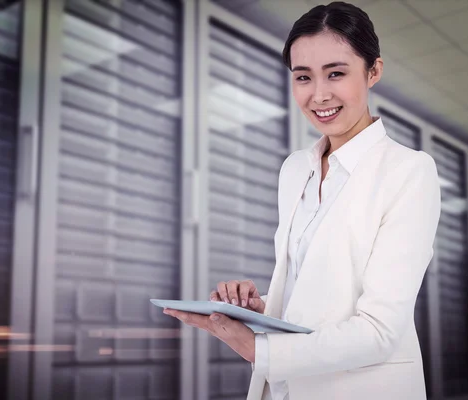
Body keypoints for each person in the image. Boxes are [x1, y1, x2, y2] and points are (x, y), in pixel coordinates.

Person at [162, 2, 441, 399]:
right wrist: (259, 310)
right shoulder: (295, 169)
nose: (319, 94)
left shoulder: (409, 171)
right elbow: (310, 296)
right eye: (303, 77)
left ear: (374, 71)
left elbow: (380, 330)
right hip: (284, 390)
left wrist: (256, 348)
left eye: (337, 73)